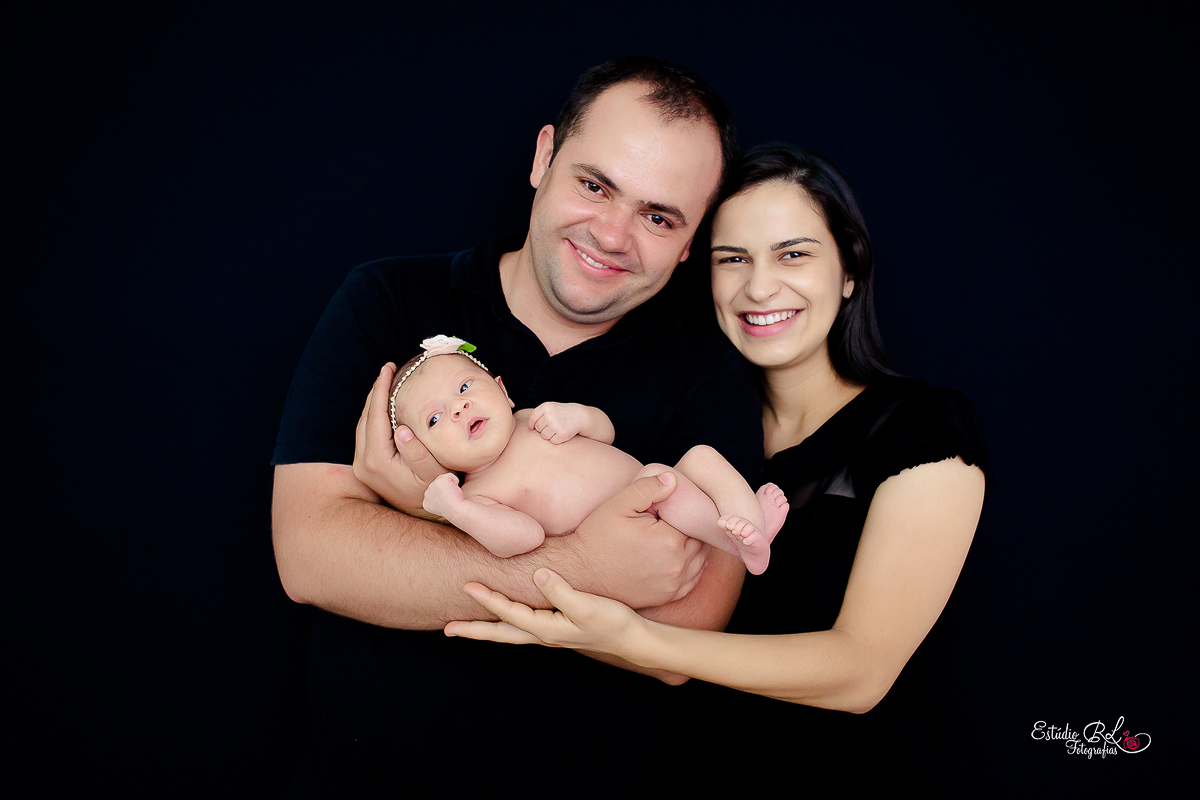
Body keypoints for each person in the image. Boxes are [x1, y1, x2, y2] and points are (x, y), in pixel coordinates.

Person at [271, 57, 763, 795]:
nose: (612, 233)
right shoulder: (389, 302)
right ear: (543, 158)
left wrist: (405, 514)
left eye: (659, 217)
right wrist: (589, 570)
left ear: (690, 243)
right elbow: (311, 555)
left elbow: (683, 637)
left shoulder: (708, 370)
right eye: (595, 185)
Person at [445, 143, 989, 794]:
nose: (759, 287)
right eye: (733, 259)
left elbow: (860, 672)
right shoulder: (683, 424)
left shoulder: (918, 428)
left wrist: (639, 643)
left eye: (794, 254)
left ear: (849, 270)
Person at [389, 335, 789, 572]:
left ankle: (750, 528)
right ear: (424, 453)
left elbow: (606, 433)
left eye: (464, 389)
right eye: (435, 419)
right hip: (628, 530)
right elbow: (522, 538)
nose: (458, 409)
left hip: (653, 486)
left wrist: (580, 416)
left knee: (699, 457)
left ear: (501, 390)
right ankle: (739, 544)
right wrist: (456, 510)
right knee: (662, 484)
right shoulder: (479, 495)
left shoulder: (533, 418)